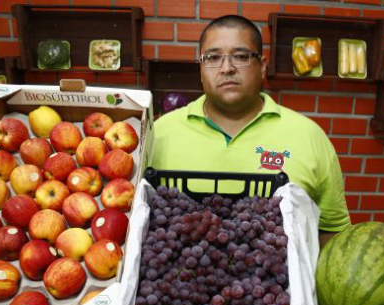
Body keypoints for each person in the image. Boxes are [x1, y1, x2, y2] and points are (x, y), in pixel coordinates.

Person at [150, 15, 351, 248]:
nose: (227, 68)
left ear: (262, 66)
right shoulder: (160, 133)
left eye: (241, 56)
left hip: (273, 279)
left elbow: (333, 231)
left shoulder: (310, 137)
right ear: (201, 68)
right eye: (213, 57)